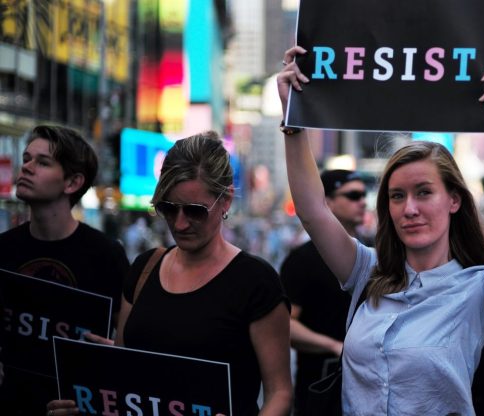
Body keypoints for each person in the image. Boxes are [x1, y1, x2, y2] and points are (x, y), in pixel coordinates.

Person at [277, 45, 484, 415]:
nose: (409, 208)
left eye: (424, 192)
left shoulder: (478, 290)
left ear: (454, 200)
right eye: (397, 196)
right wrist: (292, 119)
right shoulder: (367, 272)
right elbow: (313, 212)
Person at [47, 131, 292, 416]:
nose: (180, 223)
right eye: (168, 208)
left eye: (195, 211)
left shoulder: (255, 282)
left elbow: (280, 393)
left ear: (225, 201)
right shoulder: (144, 268)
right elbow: (125, 378)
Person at [0, 125, 129, 416]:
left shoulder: (106, 256)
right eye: (27, 158)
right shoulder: (4, 249)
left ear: (72, 183)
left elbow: (131, 347)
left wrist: (114, 354)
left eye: (43, 162)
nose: (27, 167)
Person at [280, 169, 366, 416]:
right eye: (352, 195)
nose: (361, 201)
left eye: (363, 195)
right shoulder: (302, 260)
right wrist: (334, 346)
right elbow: (285, 325)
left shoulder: (375, 252)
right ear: (327, 202)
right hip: (320, 385)